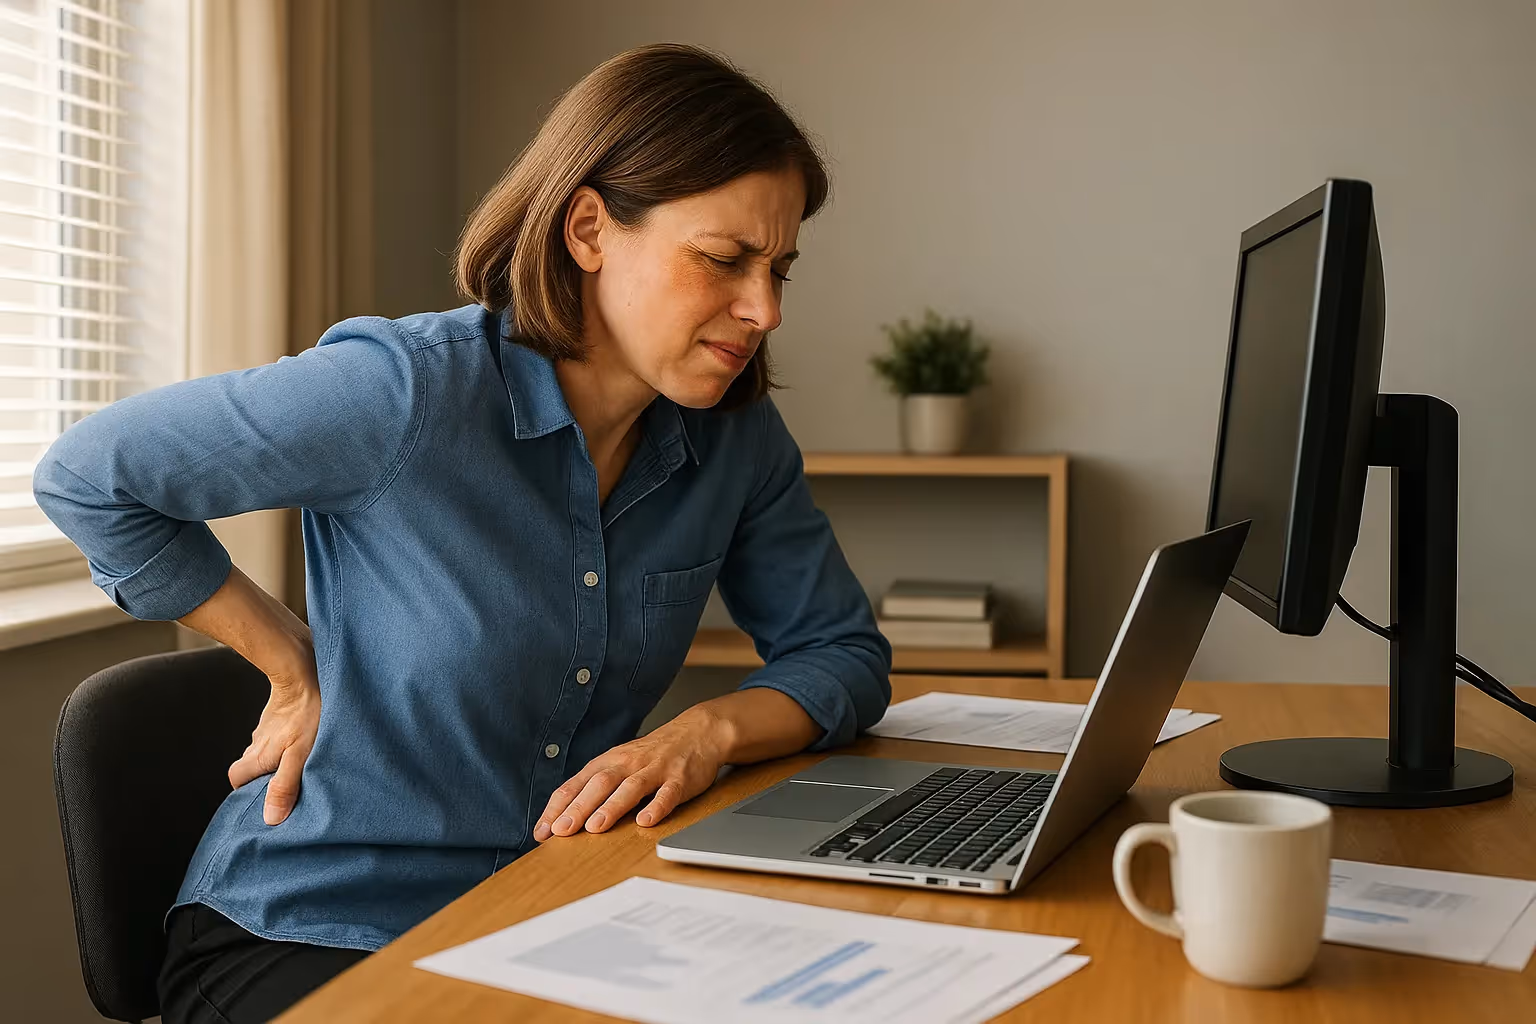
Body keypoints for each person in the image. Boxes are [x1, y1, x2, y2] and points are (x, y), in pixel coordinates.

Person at [34, 43, 890, 1024]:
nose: (765, 309)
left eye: (779, 268)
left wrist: (706, 733)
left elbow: (843, 654)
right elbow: (91, 475)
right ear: (588, 229)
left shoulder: (735, 437)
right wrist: (290, 661)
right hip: (311, 922)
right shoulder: (404, 389)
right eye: (725, 259)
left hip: (549, 912)